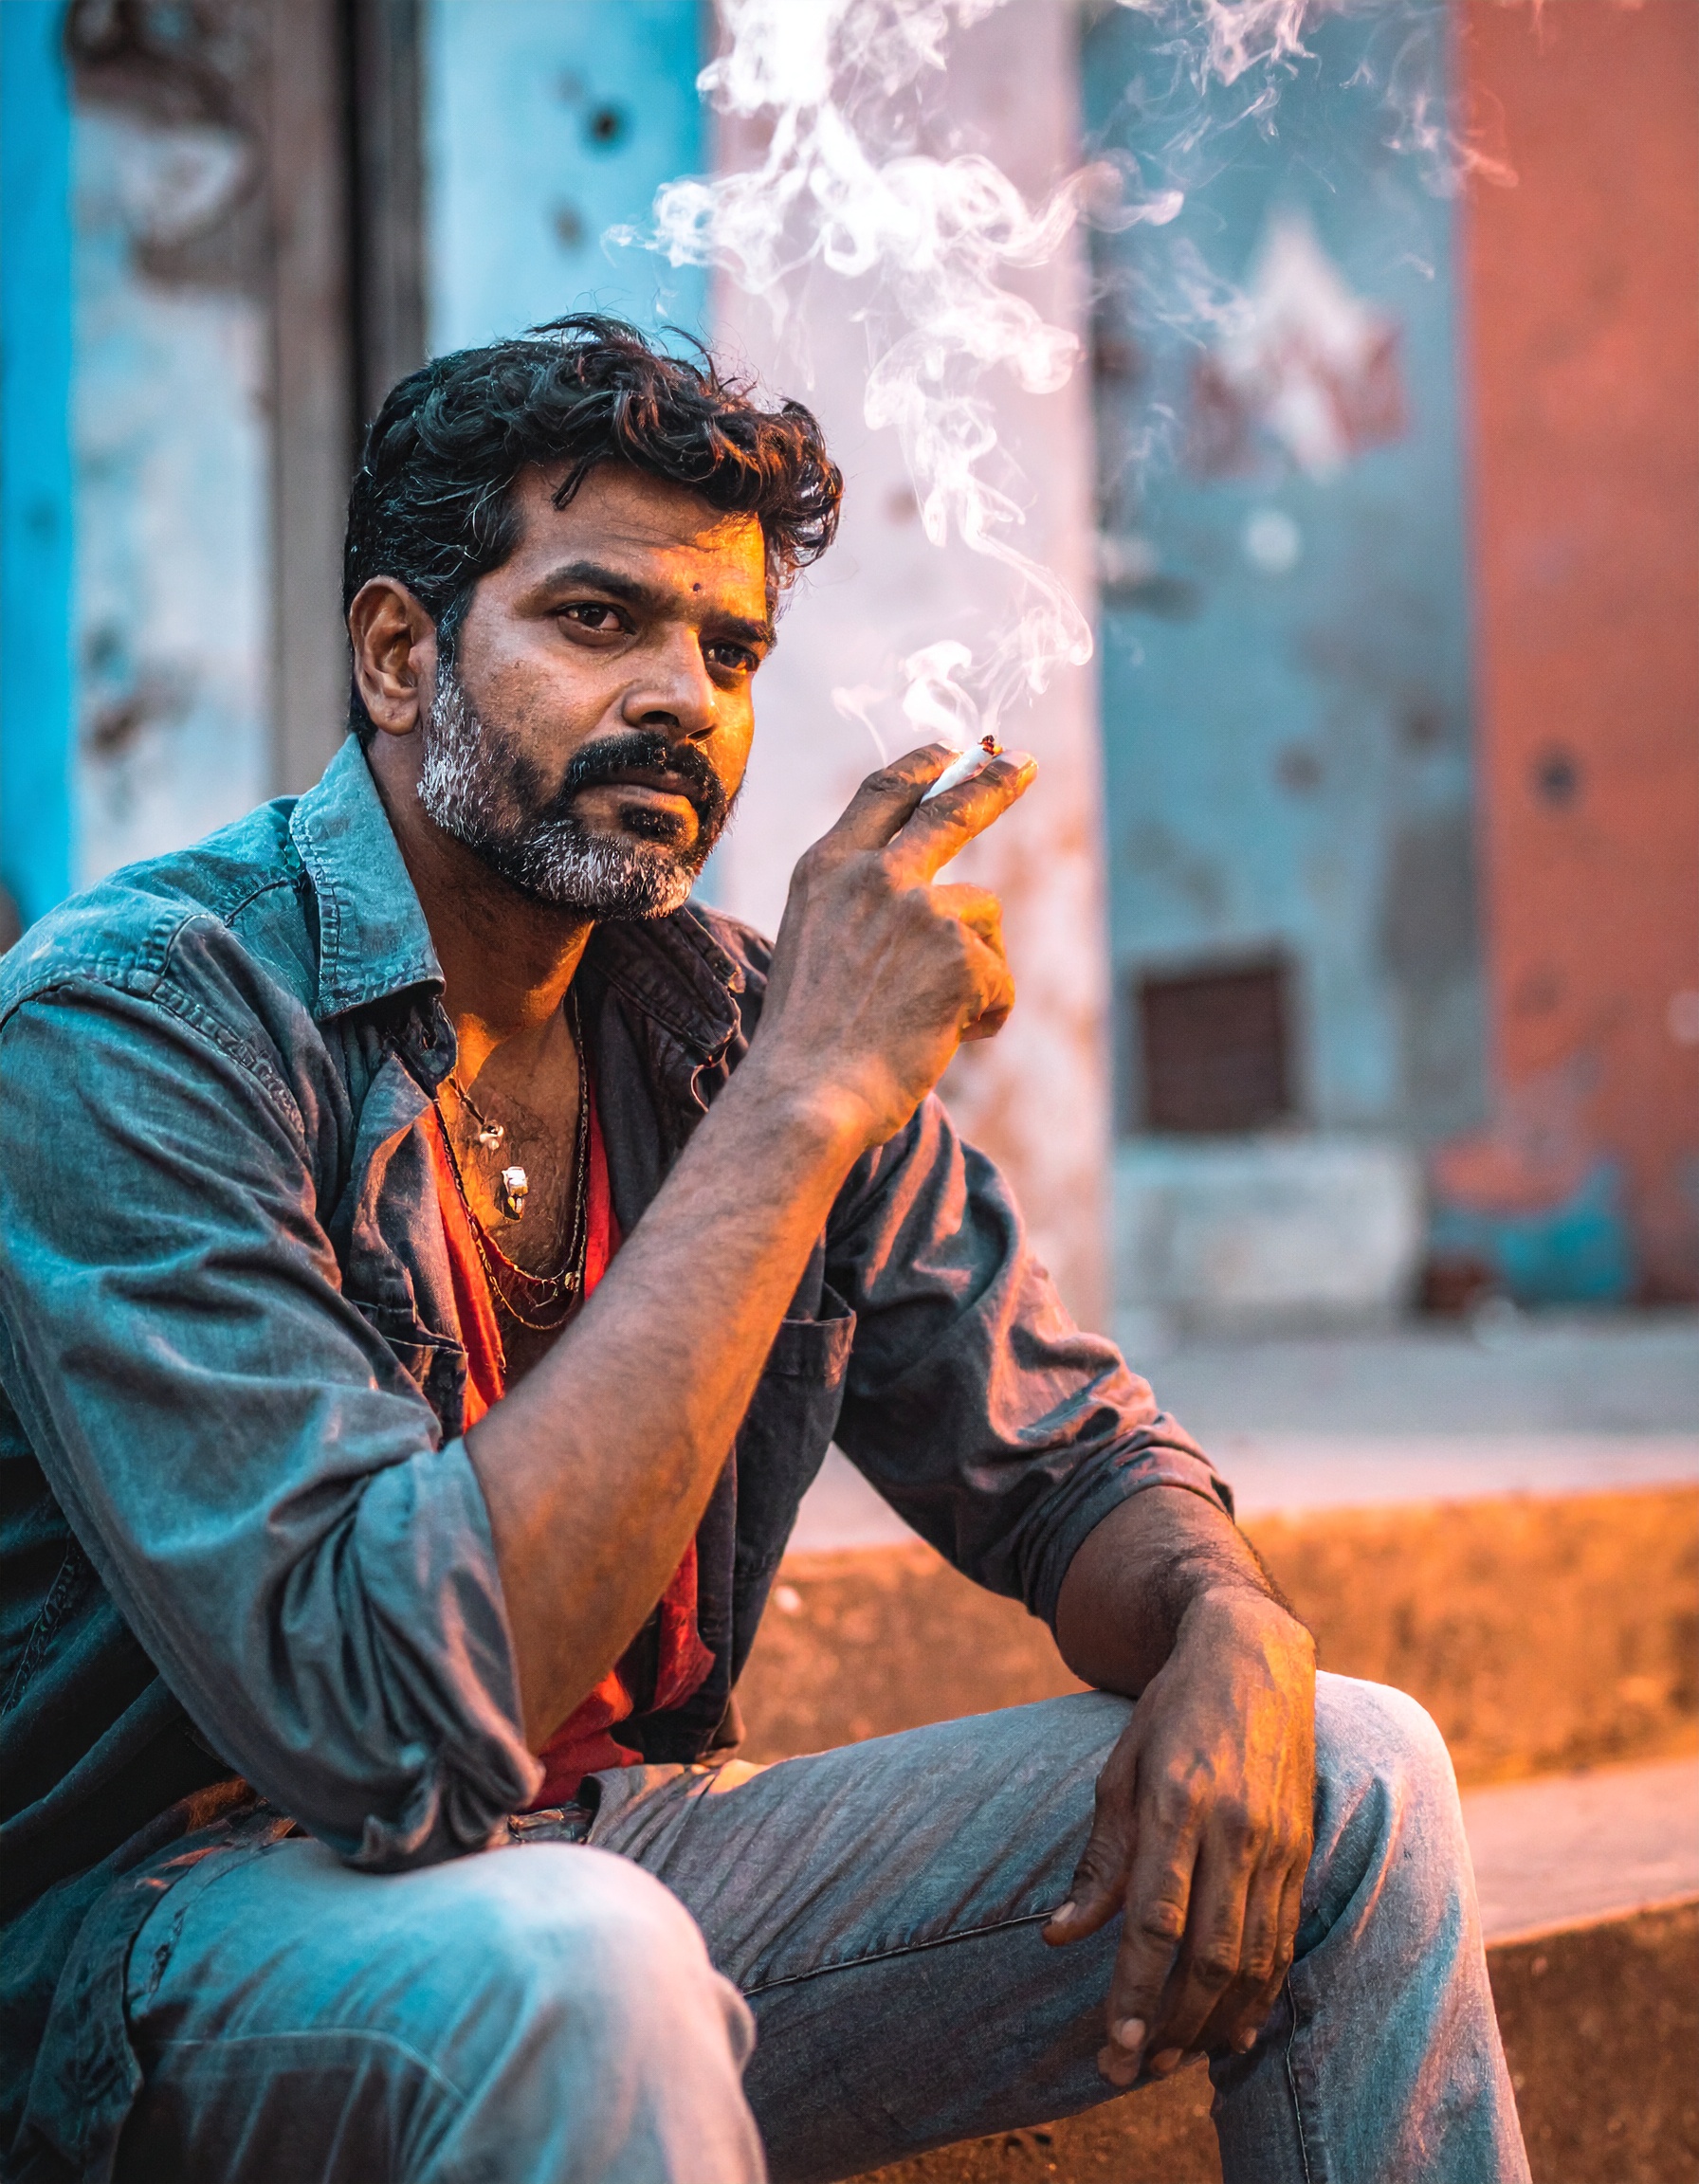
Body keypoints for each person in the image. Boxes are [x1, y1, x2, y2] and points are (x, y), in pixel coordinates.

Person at [0, 317, 1528, 2184]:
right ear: (401, 655)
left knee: (1352, 1774)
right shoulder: (131, 1030)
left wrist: (1226, 1623)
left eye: (727, 651)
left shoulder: (719, 1022)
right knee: (579, 1964)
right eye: (595, 622)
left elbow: (1071, 1458)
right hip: (160, 1944)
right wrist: (799, 1106)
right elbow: (381, 1721)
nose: (681, 700)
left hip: (600, 1869)